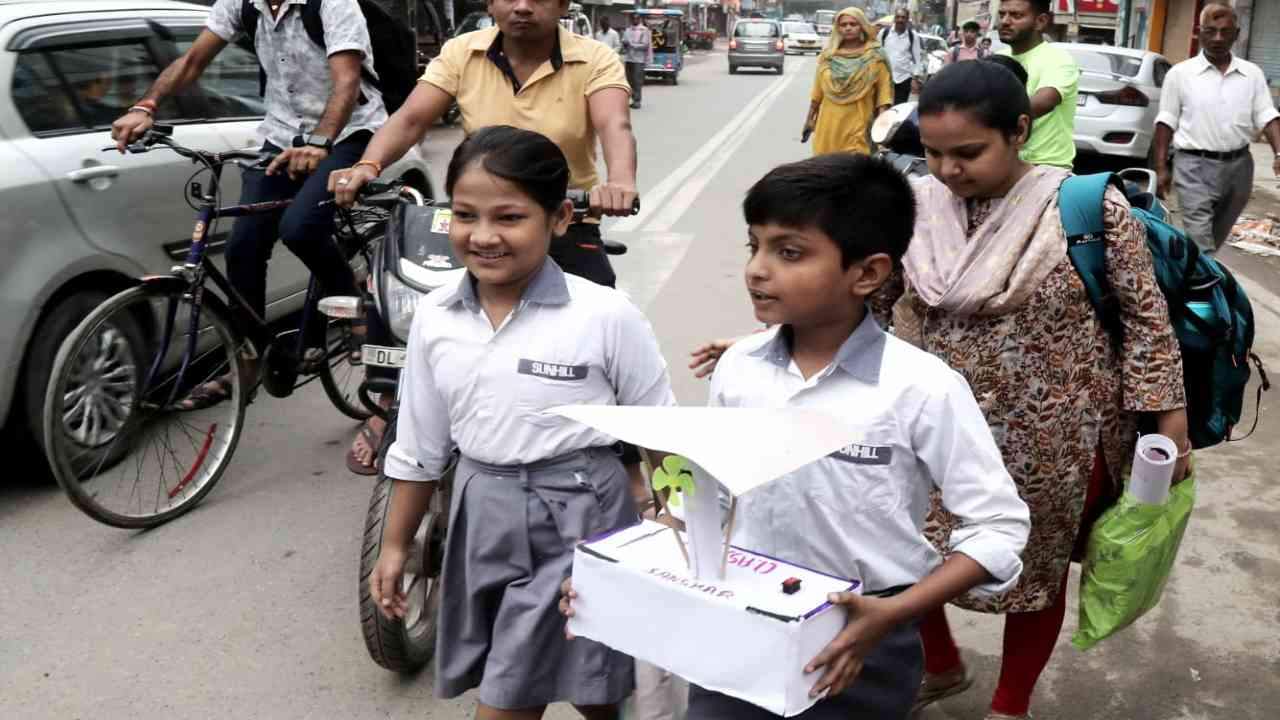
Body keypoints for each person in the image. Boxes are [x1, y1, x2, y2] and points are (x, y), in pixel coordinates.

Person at [573, 153, 1031, 720]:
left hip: (859, 641)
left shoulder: (921, 388)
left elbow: (1000, 527)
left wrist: (894, 614)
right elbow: (707, 502)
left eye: (789, 253)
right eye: (754, 246)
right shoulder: (739, 367)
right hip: (737, 621)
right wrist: (622, 576)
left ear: (867, 273)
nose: (757, 269)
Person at [893, 61, 1189, 720]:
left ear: (1020, 130)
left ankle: (1009, 705)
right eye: (934, 153)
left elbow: (1145, 320)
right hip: (932, 429)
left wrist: (1168, 418)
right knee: (907, 549)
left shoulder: (1084, 207)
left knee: (1035, 570)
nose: (948, 170)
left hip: (1054, 437)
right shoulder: (911, 208)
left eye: (969, 152)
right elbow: (870, 302)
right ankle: (939, 666)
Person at [370, 125, 675, 720]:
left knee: (516, 694)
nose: (483, 237)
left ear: (559, 218)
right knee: (594, 688)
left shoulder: (605, 316)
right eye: (464, 215)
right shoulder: (435, 316)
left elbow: (659, 433)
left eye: (509, 217)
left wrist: (674, 524)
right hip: (481, 517)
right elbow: (420, 448)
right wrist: (396, 544)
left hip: (582, 520)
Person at [329, 0, 640, 472]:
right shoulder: (462, 52)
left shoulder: (594, 57)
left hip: (563, 219)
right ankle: (391, 403)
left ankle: (628, 460)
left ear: (562, 5)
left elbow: (614, 124)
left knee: (605, 329)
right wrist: (367, 166)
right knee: (402, 293)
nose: (520, 6)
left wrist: (618, 182)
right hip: (483, 216)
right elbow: (412, 119)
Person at [111, 0, 384, 409]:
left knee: (300, 227)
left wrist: (319, 142)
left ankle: (355, 305)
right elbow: (191, 62)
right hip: (280, 136)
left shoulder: (332, 3)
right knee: (243, 248)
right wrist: (144, 106)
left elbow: (346, 81)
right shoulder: (241, 5)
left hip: (347, 133)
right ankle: (249, 357)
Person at [1153, 2, 1280, 255]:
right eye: (1210, 31)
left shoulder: (1252, 74)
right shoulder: (1180, 74)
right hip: (1193, 167)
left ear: (1237, 33)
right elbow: (1165, 121)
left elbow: (1268, 115)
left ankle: (1187, 278)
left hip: (1239, 169)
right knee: (1202, 243)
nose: (1218, 38)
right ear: (1200, 32)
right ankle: (1204, 290)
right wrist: (1160, 167)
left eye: (1225, 31)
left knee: (1211, 241)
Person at [996, 0, 1078, 168]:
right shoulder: (998, 58)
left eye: (1016, 15)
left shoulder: (1057, 60)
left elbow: (1042, 102)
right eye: (1002, 14)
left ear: (1040, 21)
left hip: (1045, 166)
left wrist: (981, 118)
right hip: (1004, 165)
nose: (1005, 21)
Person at [802, 7, 892, 156]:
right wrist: (809, 120)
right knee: (826, 168)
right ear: (838, 28)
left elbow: (884, 94)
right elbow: (817, 93)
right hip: (828, 123)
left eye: (853, 24)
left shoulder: (875, 56)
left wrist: (882, 127)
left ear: (862, 26)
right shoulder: (828, 56)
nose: (848, 28)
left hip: (858, 123)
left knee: (854, 170)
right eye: (843, 25)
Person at [878, 7, 924, 105]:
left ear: (907, 19)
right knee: (884, 106)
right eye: (898, 17)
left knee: (899, 109)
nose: (900, 20)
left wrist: (915, 79)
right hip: (885, 77)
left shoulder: (912, 36)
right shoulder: (884, 33)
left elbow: (917, 59)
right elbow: (876, 54)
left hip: (904, 79)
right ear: (894, 18)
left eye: (903, 17)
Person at [622, 12, 654, 109]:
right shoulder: (628, 30)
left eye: (636, 18)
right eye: (633, 19)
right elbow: (624, 41)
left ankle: (637, 101)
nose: (635, 20)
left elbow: (645, 45)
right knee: (629, 80)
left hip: (639, 60)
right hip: (629, 59)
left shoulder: (644, 30)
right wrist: (625, 44)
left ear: (639, 19)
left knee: (637, 81)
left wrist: (632, 45)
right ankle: (632, 98)